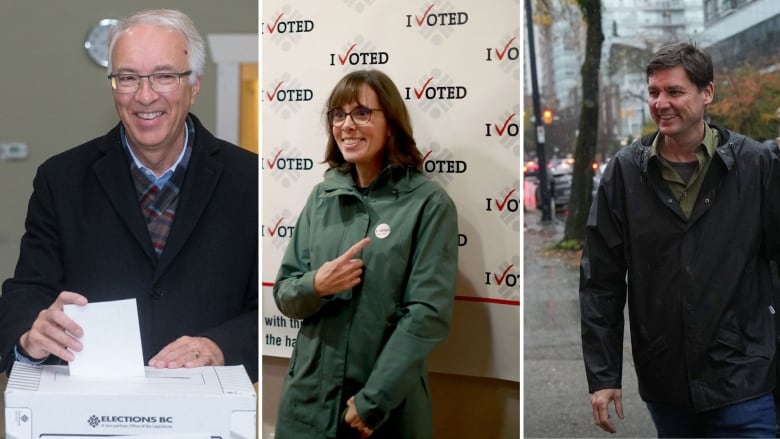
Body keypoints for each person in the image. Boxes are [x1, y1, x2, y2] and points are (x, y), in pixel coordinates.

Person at [0, 9, 258, 382]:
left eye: (164, 76)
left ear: (195, 85)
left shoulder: (249, 179)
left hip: (206, 413)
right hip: (90, 413)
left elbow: (265, 311)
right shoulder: (61, 179)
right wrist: (29, 334)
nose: (145, 95)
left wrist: (219, 346)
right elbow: (27, 291)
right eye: (128, 78)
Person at [580, 41, 780, 437]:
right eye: (654, 92)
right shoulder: (624, 173)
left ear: (707, 93)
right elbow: (600, 281)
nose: (661, 103)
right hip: (667, 381)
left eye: (674, 91)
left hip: (745, 377)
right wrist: (603, 376)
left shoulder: (755, 164)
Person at [273, 69, 459, 438]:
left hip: (382, 411)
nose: (346, 125)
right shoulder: (321, 197)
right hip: (307, 405)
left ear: (390, 124)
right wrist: (317, 285)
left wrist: (373, 401)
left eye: (361, 113)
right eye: (338, 115)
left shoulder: (428, 204)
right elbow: (285, 293)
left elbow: (427, 314)